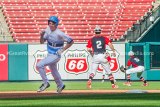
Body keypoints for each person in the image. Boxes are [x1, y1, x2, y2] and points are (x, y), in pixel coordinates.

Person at [36, 16, 74, 93]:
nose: (50, 25)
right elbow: (42, 42)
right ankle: (60, 85)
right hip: (50, 54)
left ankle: (46, 83)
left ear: (56, 24)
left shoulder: (59, 33)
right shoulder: (47, 30)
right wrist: (41, 35)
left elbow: (71, 41)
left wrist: (62, 50)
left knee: (39, 65)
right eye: (49, 23)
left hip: (56, 55)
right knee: (53, 71)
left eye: (52, 23)